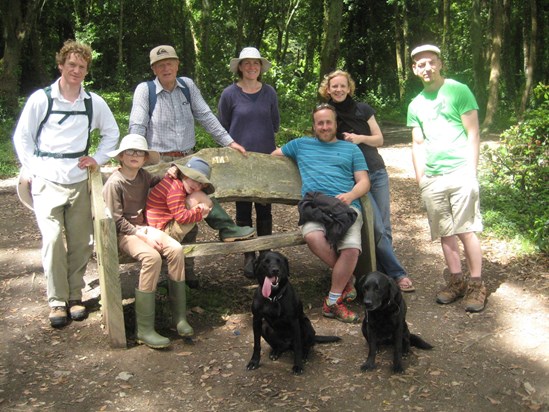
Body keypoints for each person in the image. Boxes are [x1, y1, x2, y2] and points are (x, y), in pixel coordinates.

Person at [12, 40, 120, 328]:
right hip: (46, 180)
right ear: (60, 65)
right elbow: (23, 138)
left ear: (86, 71)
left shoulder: (92, 102)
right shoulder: (41, 99)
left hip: (78, 179)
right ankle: (56, 300)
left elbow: (111, 134)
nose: (76, 70)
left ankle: (75, 295)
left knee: (81, 242)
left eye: (82, 66)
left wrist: (96, 158)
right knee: (52, 239)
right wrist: (33, 168)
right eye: (71, 64)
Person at [129, 44, 255, 288]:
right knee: (165, 217)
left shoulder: (187, 86)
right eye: (160, 65)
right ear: (154, 69)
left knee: (192, 212)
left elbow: (206, 115)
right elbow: (137, 125)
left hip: (186, 158)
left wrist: (228, 142)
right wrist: (135, 157)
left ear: (177, 65)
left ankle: (188, 272)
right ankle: (169, 274)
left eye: (170, 63)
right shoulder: (145, 91)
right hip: (159, 162)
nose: (166, 68)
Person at [272, 104, 370, 323]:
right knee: (312, 236)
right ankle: (347, 279)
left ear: (336, 124)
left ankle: (332, 301)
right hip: (315, 206)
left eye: (328, 122)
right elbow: (273, 156)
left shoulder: (351, 149)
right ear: (314, 126)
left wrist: (351, 195)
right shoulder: (300, 145)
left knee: (351, 248)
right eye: (320, 123)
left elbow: (364, 181)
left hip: (345, 206)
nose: (325, 127)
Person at [318, 70, 414, 292]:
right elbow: (322, 139)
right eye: (334, 86)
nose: (339, 90)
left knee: (384, 226)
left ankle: (381, 273)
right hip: (355, 178)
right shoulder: (328, 113)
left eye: (343, 86)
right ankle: (398, 274)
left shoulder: (363, 109)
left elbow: (379, 139)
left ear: (349, 88)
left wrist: (359, 139)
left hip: (377, 172)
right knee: (376, 226)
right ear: (328, 89)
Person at [407, 44, 486, 312]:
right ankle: (456, 281)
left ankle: (476, 284)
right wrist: (421, 179)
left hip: (460, 172)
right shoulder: (415, 104)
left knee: (466, 229)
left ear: (440, 63)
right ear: (414, 69)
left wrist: (471, 172)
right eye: (420, 64)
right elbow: (418, 143)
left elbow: (473, 133)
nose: (426, 68)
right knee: (445, 233)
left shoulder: (458, 90)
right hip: (434, 178)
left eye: (430, 62)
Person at [103, 134, 193, 349]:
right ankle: (144, 329)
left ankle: (178, 318)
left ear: (145, 159)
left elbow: (160, 180)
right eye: (130, 152)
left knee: (176, 249)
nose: (135, 155)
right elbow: (114, 219)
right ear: (121, 156)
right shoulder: (115, 183)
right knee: (152, 257)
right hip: (122, 234)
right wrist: (139, 234)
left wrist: (172, 172)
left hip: (145, 229)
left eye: (140, 152)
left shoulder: (143, 176)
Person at [218, 47, 280, 277]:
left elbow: (275, 123)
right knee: (242, 207)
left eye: (256, 63)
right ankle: (248, 256)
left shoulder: (270, 93)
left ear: (260, 67)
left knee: (265, 206)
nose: (252, 67)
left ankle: (265, 253)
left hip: (265, 158)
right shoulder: (229, 94)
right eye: (247, 63)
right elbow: (222, 127)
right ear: (240, 67)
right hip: (239, 160)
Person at [146, 157, 215, 246]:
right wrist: (199, 212)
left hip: (158, 228)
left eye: (201, 184)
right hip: (160, 234)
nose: (197, 186)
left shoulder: (174, 182)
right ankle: (227, 228)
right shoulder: (176, 189)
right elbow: (181, 217)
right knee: (199, 196)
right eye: (194, 179)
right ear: (185, 175)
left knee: (193, 227)